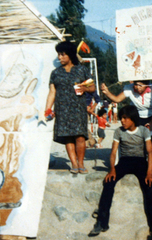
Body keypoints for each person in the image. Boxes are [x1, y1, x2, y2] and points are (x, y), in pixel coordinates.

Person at [88, 105, 152, 238]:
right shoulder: (119, 131)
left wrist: (149, 173)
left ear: (133, 118)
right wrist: (112, 169)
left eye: (125, 118)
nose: (122, 121)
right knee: (108, 182)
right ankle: (102, 222)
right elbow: (113, 153)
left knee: (149, 186)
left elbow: (150, 152)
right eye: (121, 118)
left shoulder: (143, 131)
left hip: (140, 162)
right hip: (124, 161)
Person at [45, 41, 95, 174]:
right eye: (58, 55)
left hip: (78, 108)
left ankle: (81, 163)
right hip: (62, 109)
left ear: (70, 55)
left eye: (62, 54)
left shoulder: (82, 70)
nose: (59, 58)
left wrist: (83, 88)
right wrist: (48, 109)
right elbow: (52, 92)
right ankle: (73, 163)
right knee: (68, 137)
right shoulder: (55, 73)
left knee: (79, 136)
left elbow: (92, 87)